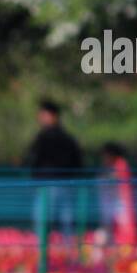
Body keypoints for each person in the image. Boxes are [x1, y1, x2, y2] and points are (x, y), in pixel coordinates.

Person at [27, 99, 83, 236]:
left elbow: (33, 159)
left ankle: (44, 256)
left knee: (43, 224)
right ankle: (69, 255)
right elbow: (78, 163)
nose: (40, 118)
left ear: (51, 115)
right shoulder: (68, 138)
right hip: (66, 184)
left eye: (42, 114)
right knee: (67, 224)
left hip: (48, 186)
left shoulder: (43, 137)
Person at [98, 141, 137, 248]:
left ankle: (126, 244)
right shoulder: (110, 166)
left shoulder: (121, 164)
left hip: (122, 200)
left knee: (124, 225)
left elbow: (116, 181)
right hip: (113, 200)